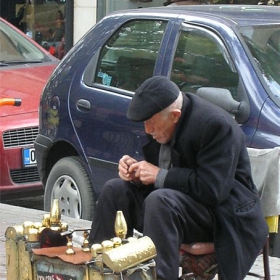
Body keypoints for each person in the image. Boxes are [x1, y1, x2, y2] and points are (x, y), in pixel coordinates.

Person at [89, 76, 268, 280]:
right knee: (115, 190)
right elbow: (162, 175)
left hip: (222, 215)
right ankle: (99, 269)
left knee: (161, 201)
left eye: (151, 123)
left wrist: (159, 175)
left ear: (175, 115)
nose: (147, 130)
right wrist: (137, 173)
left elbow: (213, 191)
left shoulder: (215, 125)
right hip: (176, 209)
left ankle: (158, 277)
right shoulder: (163, 124)